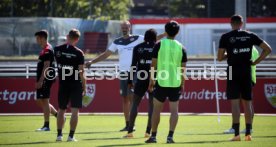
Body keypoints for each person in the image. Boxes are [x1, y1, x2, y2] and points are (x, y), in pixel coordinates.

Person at [86, 21, 166, 131]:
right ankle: (127, 124)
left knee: (133, 98)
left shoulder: (138, 38)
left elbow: (154, 38)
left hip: (135, 72)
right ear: (121, 28)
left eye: (126, 27)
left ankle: (132, 125)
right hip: (123, 73)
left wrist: (168, 33)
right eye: (122, 27)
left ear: (130, 27)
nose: (124, 29)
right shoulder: (117, 42)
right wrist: (92, 61)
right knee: (124, 99)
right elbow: (106, 54)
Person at [218, 15, 272, 141]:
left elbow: (220, 57)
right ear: (242, 23)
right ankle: (248, 134)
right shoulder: (250, 35)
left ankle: (236, 135)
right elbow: (268, 49)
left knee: (235, 103)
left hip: (232, 70)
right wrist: (255, 62)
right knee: (247, 103)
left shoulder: (225, 37)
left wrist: (230, 53)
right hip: (246, 69)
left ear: (231, 23)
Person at [146, 20, 187, 144]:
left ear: (165, 30)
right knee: (174, 110)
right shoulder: (181, 47)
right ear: (178, 32)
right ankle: (170, 137)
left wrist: (151, 81)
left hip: (161, 82)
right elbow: (183, 69)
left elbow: (153, 65)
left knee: (156, 110)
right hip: (175, 82)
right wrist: (183, 84)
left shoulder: (158, 45)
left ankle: (153, 136)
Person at [123, 29, 158, 138]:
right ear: (155, 37)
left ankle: (130, 132)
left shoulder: (138, 48)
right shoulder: (158, 47)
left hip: (140, 78)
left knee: (135, 104)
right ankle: (148, 132)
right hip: (154, 78)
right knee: (152, 106)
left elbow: (133, 65)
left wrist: (129, 80)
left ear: (145, 37)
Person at [54, 29, 86, 142]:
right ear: (77, 39)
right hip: (76, 84)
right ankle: (71, 137)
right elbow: (81, 72)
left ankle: (59, 135)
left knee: (61, 110)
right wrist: (85, 86)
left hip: (63, 84)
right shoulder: (79, 53)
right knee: (75, 111)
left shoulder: (57, 49)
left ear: (67, 36)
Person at [223, 46, 259, 134]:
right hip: (246, 75)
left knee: (239, 101)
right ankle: (248, 127)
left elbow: (225, 58)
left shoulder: (244, 47)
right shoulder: (253, 49)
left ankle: (236, 128)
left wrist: (224, 50)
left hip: (242, 75)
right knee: (246, 102)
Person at [34, 30, 57, 131]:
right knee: (40, 101)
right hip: (44, 79)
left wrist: (41, 80)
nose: (37, 41)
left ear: (43, 38)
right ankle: (58, 115)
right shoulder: (44, 50)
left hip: (46, 78)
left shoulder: (47, 49)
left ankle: (46, 125)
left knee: (45, 100)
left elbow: (47, 66)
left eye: (38, 38)